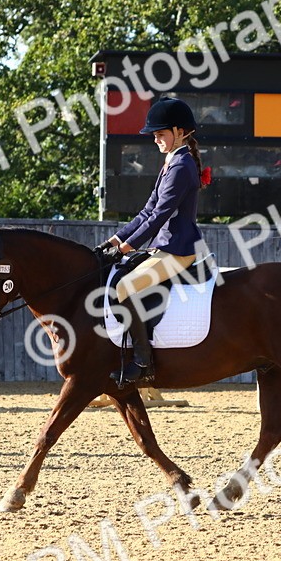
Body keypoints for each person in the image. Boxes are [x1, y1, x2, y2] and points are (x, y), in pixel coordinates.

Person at [95, 97, 207, 386]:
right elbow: (146, 211)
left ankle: (143, 362)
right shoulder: (172, 162)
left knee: (124, 286)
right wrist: (116, 239)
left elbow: (159, 216)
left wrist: (128, 247)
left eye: (160, 134)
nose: (155, 140)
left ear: (180, 132)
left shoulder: (181, 167)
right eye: (155, 135)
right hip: (165, 246)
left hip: (179, 250)